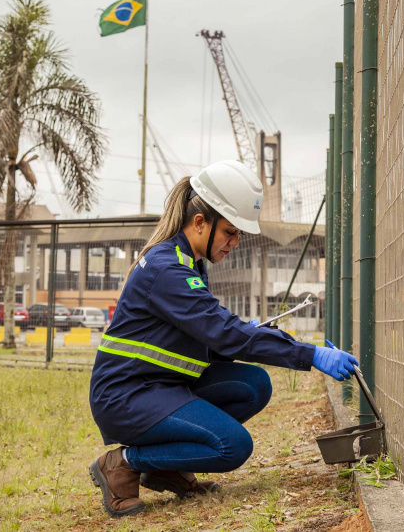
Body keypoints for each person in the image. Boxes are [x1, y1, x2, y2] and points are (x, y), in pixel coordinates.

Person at [88, 160, 359, 518]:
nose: (235, 242)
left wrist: (252, 334)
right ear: (200, 222)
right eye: (230, 232)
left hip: (162, 385)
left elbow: (210, 337)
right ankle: (123, 462)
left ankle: (167, 467)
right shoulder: (167, 269)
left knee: (253, 385)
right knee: (232, 447)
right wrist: (307, 355)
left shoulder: (188, 261)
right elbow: (225, 334)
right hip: (127, 396)